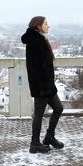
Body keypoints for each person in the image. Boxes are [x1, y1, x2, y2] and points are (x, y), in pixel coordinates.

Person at [21, 16, 64, 154]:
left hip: (48, 86)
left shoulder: (39, 39)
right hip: (41, 87)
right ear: (38, 26)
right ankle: (34, 143)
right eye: (46, 24)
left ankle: (49, 137)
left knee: (58, 108)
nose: (48, 26)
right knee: (38, 114)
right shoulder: (35, 41)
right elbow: (35, 67)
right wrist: (42, 87)